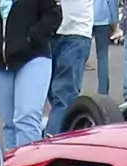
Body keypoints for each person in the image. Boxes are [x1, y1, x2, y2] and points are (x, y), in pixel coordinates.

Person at [0, 0, 57, 147]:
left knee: (27, 117)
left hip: (33, 57)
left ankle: (29, 160)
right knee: (9, 123)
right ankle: (13, 160)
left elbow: (53, 14)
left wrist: (34, 36)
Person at [44, 0, 89, 132]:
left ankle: (53, 138)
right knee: (55, 95)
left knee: (64, 97)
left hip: (75, 32)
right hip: (50, 31)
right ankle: (56, 134)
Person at [91, 0, 116, 93]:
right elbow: (112, 2)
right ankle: (103, 90)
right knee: (103, 56)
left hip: (84, 18)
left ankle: (76, 90)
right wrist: (114, 21)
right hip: (103, 18)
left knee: (80, 57)